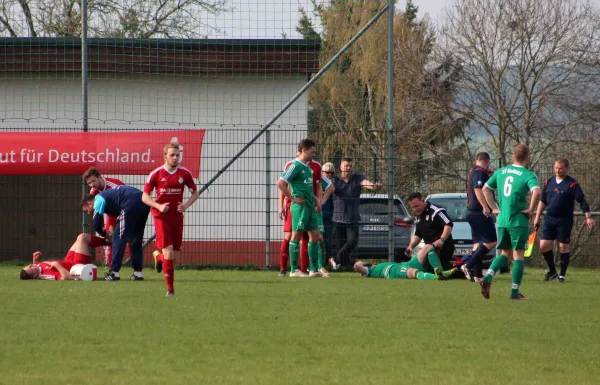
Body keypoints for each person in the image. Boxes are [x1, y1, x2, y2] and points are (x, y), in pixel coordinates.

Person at [481, 144, 540, 300]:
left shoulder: (501, 172)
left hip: (502, 220)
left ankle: (487, 278)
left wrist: (494, 208)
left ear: (513, 156)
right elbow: (537, 192)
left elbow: (485, 189)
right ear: (527, 157)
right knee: (518, 255)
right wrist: (531, 209)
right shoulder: (528, 175)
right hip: (517, 220)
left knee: (505, 253)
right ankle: (514, 293)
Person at [142, 141, 199, 297]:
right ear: (165, 156)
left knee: (174, 257)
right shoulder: (156, 174)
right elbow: (144, 197)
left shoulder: (184, 174)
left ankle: (157, 257)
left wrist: (185, 205)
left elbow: (195, 193)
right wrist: (158, 206)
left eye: (177, 155)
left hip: (177, 217)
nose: (175, 158)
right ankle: (170, 290)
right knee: (169, 254)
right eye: (172, 155)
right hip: (161, 217)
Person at [533, 158, 595, 283]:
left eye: (560, 168)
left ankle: (562, 275)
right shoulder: (548, 182)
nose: (558, 170)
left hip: (564, 220)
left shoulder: (572, 184)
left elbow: (582, 201)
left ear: (567, 168)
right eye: (556, 168)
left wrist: (588, 217)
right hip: (549, 218)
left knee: (563, 247)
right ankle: (552, 271)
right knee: (543, 246)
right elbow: (543, 200)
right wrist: (537, 216)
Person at [81, 185, 150, 281]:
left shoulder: (98, 199)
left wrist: (105, 235)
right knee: (135, 239)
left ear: (89, 203)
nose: (88, 213)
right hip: (144, 202)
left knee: (118, 237)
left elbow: (96, 224)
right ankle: (138, 273)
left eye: (86, 210)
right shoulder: (108, 197)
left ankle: (114, 272)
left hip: (130, 203)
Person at [277, 138, 323, 277]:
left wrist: (316, 200)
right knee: (296, 235)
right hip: (300, 206)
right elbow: (280, 183)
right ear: (304, 150)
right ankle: (293, 270)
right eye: (312, 152)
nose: (313, 154)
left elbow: (308, 187)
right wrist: (292, 198)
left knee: (314, 235)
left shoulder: (307, 167)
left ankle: (313, 270)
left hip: (309, 206)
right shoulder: (295, 165)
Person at [330, 157, 381, 270]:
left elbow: (365, 183)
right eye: (346, 165)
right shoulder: (335, 180)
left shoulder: (357, 178)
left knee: (352, 242)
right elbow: (329, 189)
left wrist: (373, 186)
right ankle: (341, 265)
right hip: (338, 218)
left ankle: (336, 259)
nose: (348, 168)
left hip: (353, 218)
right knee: (340, 245)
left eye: (350, 166)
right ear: (341, 167)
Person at [462, 152, 498, 282]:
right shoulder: (479, 171)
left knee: (478, 243)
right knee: (492, 241)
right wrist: (485, 206)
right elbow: (478, 189)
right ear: (487, 161)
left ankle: (477, 275)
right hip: (478, 211)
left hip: (471, 212)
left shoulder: (473, 170)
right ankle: (468, 265)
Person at [83, 167, 125, 268]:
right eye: (89, 183)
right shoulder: (94, 192)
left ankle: (135, 269)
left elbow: (125, 200)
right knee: (109, 238)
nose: (92, 185)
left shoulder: (114, 185)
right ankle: (111, 266)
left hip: (124, 212)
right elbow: (98, 213)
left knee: (126, 239)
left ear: (100, 177)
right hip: (111, 215)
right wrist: (101, 229)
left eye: (93, 181)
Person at [404, 192, 456, 274]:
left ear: (423, 200)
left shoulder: (436, 211)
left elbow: (449, 224)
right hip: (429, 249)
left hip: (442, 248)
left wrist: (441, 240)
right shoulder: (418, 215)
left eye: (417, 206)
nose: (415, 209)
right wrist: (410, 247)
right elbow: (418, 234)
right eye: (413, 207)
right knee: (425, 271)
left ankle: (460, 269)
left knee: (436, 272)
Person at [19, 233, 108, 280]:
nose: (30, 265)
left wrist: (36, 263)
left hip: (68, 261)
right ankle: (108, 241)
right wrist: (57, 265)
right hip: (76, 266)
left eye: (28, 265)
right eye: (30, 268)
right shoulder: (46, 276)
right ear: (34, 275)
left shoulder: (38, 270)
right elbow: (66, 277)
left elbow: (39, 270)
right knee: (82, 237)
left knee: (79, 239)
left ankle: (108, 241)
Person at [354, 250, 457, 280]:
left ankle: (441, 272)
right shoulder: (371, 271)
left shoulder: (378, 266)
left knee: (428, 248)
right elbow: (356, 266)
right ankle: (436, 277)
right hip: (392, 270)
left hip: (404, 263)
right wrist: (364, 263)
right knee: (413, 272)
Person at [321, 162, 336, 263]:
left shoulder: (334, 185)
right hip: (318, 215)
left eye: (332, 173)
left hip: (329, 217)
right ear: (322, 172)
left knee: (328, 241)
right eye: (327, 172)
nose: (329, 175)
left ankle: (326, 263)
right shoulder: (318, 183)